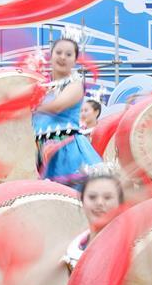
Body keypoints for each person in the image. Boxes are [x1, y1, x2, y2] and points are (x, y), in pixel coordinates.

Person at [33, 33, 102, 186]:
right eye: (58, 52)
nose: (62, 57)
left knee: (72, 194)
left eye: (68, 54)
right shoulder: (41, 86)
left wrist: (29, 106)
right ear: (51, 56)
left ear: (75, 61)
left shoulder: (75, 85)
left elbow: (57, 106)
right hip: (42, 151)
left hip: (68, 150)